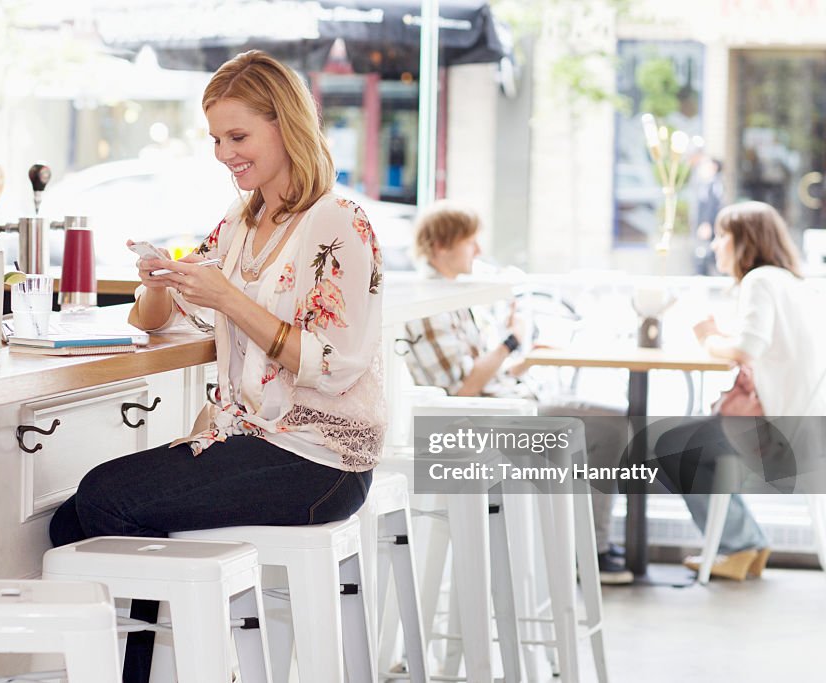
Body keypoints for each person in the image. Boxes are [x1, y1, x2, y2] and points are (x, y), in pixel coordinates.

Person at [49, 50, 386, 681]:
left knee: (104, 501)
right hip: (254, 440)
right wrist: (155, 281)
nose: (223, 152)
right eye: (215, 138)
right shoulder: (242, 219)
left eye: (238, 135)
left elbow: (333, 364)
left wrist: (229, 297)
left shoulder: (337, 221)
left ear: (286, 125)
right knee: (75, 519)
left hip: (321, 458)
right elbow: (160, 318)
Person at [401, 201, 633, 584]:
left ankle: (588, 545)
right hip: (480, 423)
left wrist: (518, 362)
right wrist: (512, 341)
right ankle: (588, 551)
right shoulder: (430, 305)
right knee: (610, 427)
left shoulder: (450, 295)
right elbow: (462, 391)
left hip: (500, 404)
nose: (477, 251)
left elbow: (475, 377)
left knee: (612, 421)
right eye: (470, 242)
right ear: (442, 245)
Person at [655, 201, 826, 580]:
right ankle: (742, 544)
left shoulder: (759, 280)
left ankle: (739, 545)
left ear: (743, 241)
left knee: (671, 444)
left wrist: (708, 338)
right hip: (807, 433)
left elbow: (748, 348)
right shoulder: (795, 285)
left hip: (778, 437)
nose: (715, 245)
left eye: (721, 236)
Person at [692, 157, 724, 276]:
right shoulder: (706, 184)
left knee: (707, 250)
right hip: (704, 224)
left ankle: (707, 274)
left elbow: (712, 205)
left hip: (708, 224)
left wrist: (706, 223)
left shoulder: (714, 185)